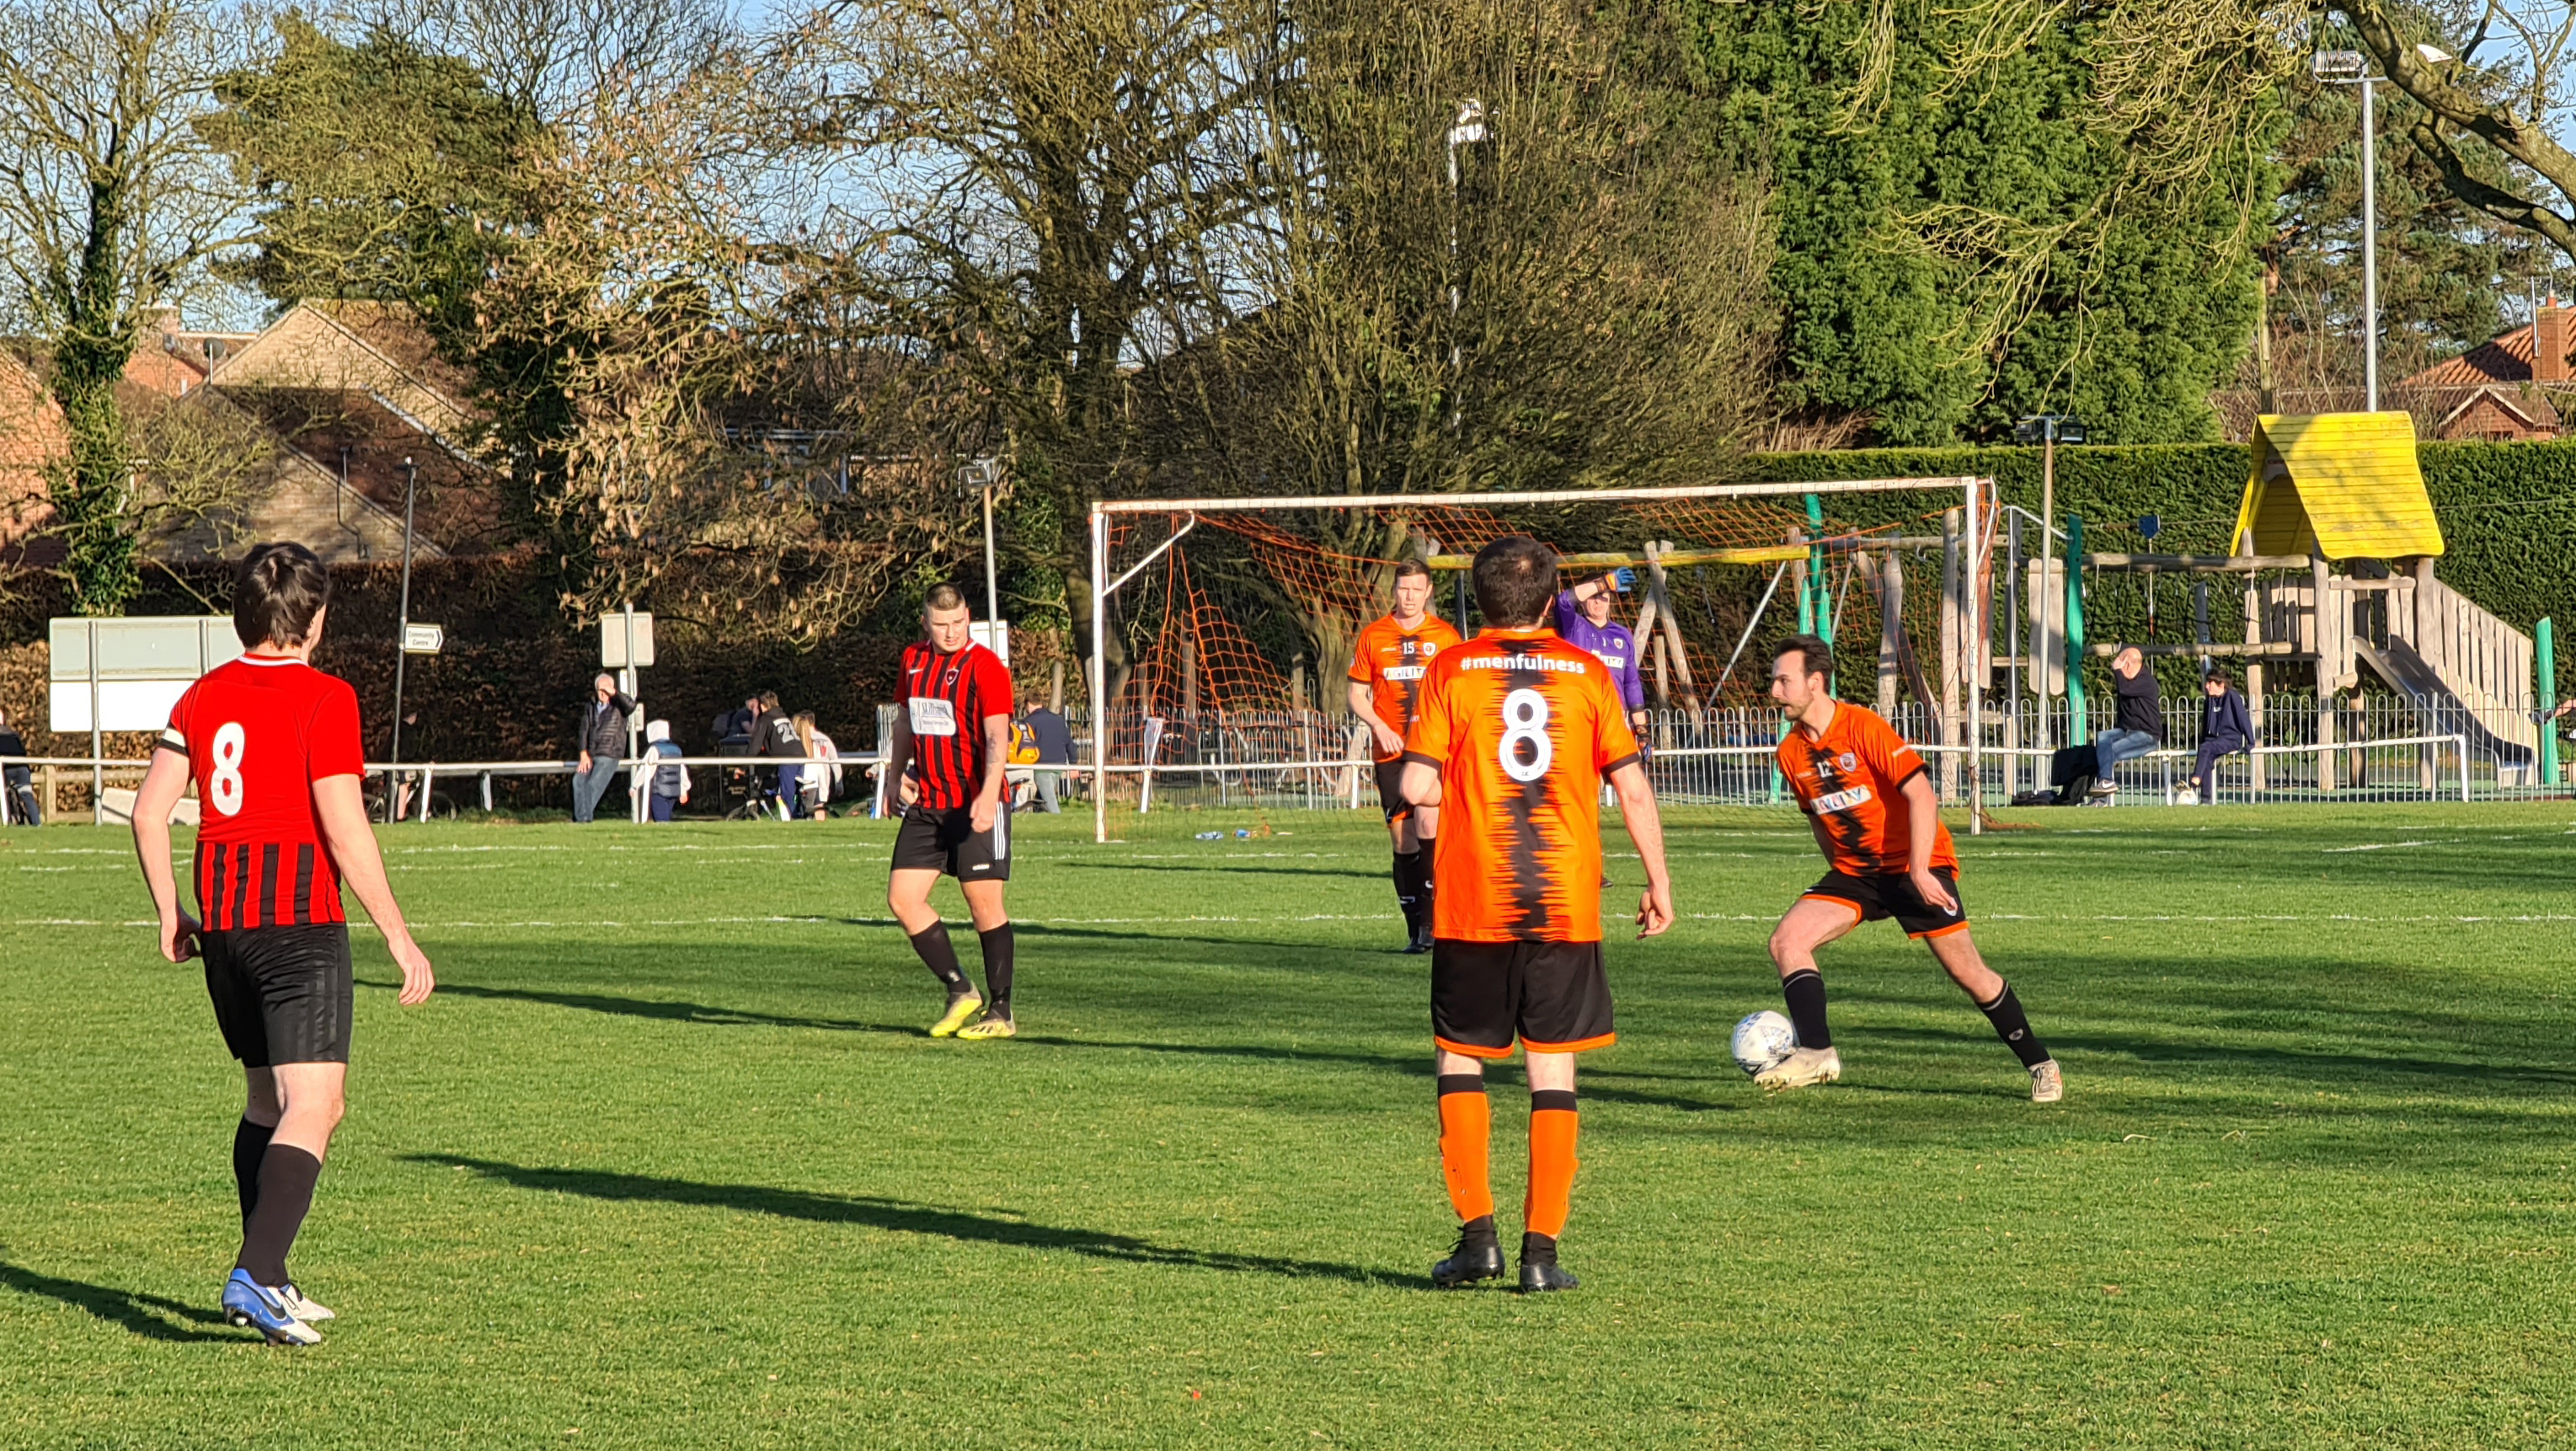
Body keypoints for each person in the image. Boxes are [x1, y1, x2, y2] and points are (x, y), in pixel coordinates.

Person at [127, 542, 436, 1347]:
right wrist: (399, 936)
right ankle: (256, 1272)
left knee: (267, 1104)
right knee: (318, 1106)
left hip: (226, 932)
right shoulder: (324, 698)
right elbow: (344, 827)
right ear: (317, 619)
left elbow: (149, 812)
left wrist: (169, 912)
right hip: (297, 926)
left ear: (242, 615)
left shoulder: (201, 696)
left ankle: (272, 1273)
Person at [1399, 535, 1675, 1294]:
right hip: (1563, 902)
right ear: (1551, 599)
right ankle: (1541, 1255)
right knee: (1552, 1066)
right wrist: (1659, 881)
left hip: (1474, 900)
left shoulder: (1450, 668)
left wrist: (1466, 784)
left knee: (1460, 1056)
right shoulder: (1588, 673)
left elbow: (1416, 788)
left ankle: (1477, 1240)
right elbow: (1633, 788)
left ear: (1479, 600)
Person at [1760, 634, 2063, 1103]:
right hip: (1857, 873)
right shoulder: (1790, 754)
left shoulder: (1863, 726)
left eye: (1784, 681)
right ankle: (1817, 1051)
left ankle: (2041, 1064)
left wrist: (1920, 870)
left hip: (1914, 864)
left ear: (1815, 682)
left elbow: (1921, 794)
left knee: (1969, 973)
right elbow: (1818, 820)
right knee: (1786, 941)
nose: (1774, 691)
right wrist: (1840, 875)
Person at [883, 583, 1020, 1040]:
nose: (951, 632)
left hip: (975, 801)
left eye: (958, 622)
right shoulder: (913, 660)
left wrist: (988, 792)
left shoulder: (986, 666)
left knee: (984, 905)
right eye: (941, 624)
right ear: (925, 623)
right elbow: (906, 723)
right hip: (928, 803)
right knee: (903, 899)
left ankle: (1001, 1012)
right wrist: (893, 777)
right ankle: (961, 989)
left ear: (968, 617)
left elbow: (997, 735)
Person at [1347, 560, 1466, 953]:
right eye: (1403, 589)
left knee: (1430, 824)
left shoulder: (1446, 637)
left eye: (1417, 589)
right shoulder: (1374, 635)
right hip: (1390, 751)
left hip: (1432, 748)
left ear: (1429, 591)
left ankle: (1433, 926)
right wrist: (1378, 725)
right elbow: (1356, 694)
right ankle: (1415, 927)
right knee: (1404, 841)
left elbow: (1460, 691)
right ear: (1394, 590)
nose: (1409, 596)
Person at [1553, 570, 1651, 744]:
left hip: (1615, 722)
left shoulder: (1622, 635)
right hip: (1581, 721)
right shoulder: (1573, 627)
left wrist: (1643, 732)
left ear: (1610, 598)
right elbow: (1563, 602)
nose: (1598, 601)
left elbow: (1631, 683)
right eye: (1592, 596)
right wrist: (1604, 584)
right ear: (1583, 601)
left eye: (1602, 595)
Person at [2087, 645, 2164, 798]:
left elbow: (2124, 690)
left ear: (2127, 664)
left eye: (2120, 663)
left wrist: (2117, 671)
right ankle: (2105, 783)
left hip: (2147, 735)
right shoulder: (2128, 682)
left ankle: (2103, 790)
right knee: (2103, 737)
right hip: (2126, 731)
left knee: (2108, 752)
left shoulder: (2146, 681)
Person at [2184, 669, 2255, 806]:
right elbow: (2206, 725)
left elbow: (2243, 719)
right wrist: (2202, 745)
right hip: (2212, 741)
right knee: (2207, 757)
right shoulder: (2209, 700)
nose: (2206, 686)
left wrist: (2250, 742)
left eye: (2210, 683)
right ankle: (2205, 799)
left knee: (2207, 748)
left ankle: (2194, 781)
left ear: (2221, 685)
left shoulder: (2233, 697)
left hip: (2230, 739)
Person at [573, 674, 635, 823]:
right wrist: (583, 753)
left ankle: (582, 819)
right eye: (600, 689)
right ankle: (582, 818)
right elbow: (584, 730)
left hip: (610, 752)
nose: (603, 693)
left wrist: (615, 693)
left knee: (594, 785)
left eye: (606, 689)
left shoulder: (619, 705)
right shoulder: (591, 706)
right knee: (578, 781)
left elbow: (631, 706)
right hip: (591, 754)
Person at [748, 690, 800, 819]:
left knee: (787, 793)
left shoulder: (765, 719)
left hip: (787, 759)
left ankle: (791, 818)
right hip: (802, 755)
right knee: (799, 791)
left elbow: (755, 746)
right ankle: (800, 814)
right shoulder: (784, 718)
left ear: (762, 706)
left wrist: (742, 766)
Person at [1021, 696, 1074, 814]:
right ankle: (1038, 814)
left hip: (1042, 765)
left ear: (1029, 705)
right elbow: (1069, 742)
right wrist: (1074, 763)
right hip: (1059, 765)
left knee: (1050, 802)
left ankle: (1059, 820)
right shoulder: (1058, 720)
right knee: (1044, 794)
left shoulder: (1029, 721)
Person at [794, 710, 840, 819]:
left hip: (805, 784)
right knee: (818, 812)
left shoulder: (797, 744)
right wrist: (830, 787)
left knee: (805, 815)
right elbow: (830, 763)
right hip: (818, 783)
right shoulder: (821, 741)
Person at [642, 720, 690, 822]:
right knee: (666, 817)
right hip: (674, 791)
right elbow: (682, 771)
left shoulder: (654, 749)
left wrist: (635, 785)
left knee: (661, 820)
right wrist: (684, 791)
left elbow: (646, 769)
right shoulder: (676, 749)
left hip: (659, 791)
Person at [0, 704, 40, 825]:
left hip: (7, 769)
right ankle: (36, 823)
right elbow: (22, 752)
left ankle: (11, 820)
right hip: (22, 768)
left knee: (6, 795)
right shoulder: (13, 734)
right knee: (27, 796)